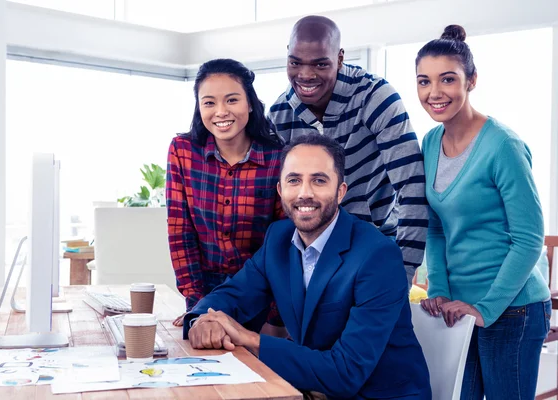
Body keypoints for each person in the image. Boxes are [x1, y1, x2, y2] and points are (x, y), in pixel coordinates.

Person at [183, 134, 431, 400]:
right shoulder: (278, 238)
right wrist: (203, 320)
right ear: (280, 190)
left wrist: (251, 339)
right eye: (294, 180)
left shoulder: (378, 256)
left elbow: (346, 372)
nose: (305, 193)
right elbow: (233, 294)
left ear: (341, 191)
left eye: (319, 180)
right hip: (312, 390)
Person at [417, 25, 550, 400]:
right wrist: (440, 291)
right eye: (424, 82)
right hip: (459, 311)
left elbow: (528, 239)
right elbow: (436, 228)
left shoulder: (502, 146)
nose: (434, 93)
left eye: (448, 79)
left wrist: (484, 308)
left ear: (471, 81)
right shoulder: (430, 142)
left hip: (514, 309)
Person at [267, 15, 427, 286]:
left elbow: (411, 186)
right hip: (313, 259)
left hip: (375, 248)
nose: (305, 75)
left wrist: (403, 271)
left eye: (320, 63)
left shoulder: (375, 96)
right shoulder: (279, 114)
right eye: (295, 62)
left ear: (340, 58)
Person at [166, 58, 285, 331]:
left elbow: (284, 243)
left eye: (232, 100)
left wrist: (274, 319)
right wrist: (196, 304)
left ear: (250, 103)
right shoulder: (182, 151)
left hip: (262, 296)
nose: (220, 112)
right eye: (209, 102)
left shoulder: (278, 158)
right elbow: (180, 232)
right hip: (205, 295)